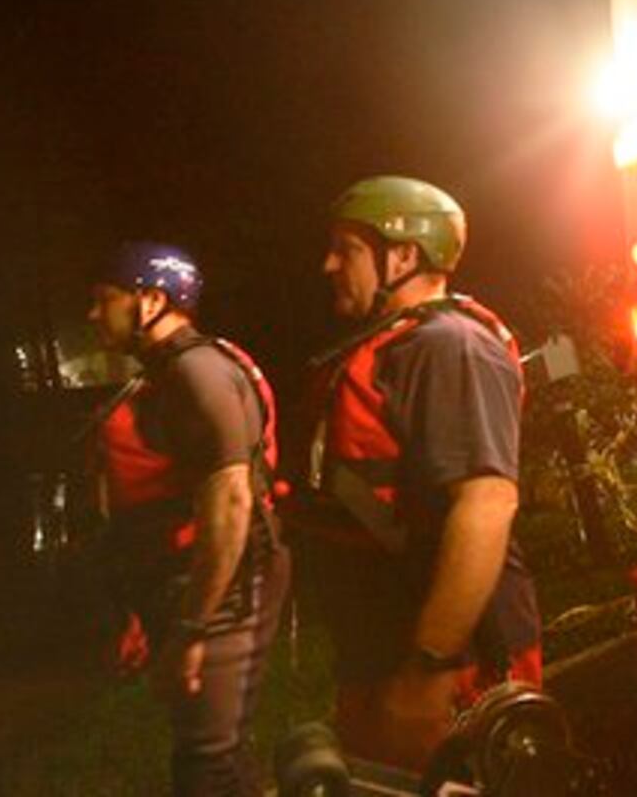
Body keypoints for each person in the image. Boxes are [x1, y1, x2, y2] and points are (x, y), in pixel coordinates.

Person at [287, 175, 540, 771]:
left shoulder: (449, 346)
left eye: (345, 250)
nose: (328, 265)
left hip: (452, 661)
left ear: (402, 255)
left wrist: (429, 668)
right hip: (385, 643)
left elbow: (486, 505)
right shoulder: (395, 349)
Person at [87, 242, 291, 796]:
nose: (93, 313)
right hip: (189, 588)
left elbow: (230, 501)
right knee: (217, 751)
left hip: (224, 590)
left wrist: (194, 625)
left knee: (204, 764)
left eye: (104, 299)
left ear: (150, 300)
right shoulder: (167, 375)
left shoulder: (198, 372)